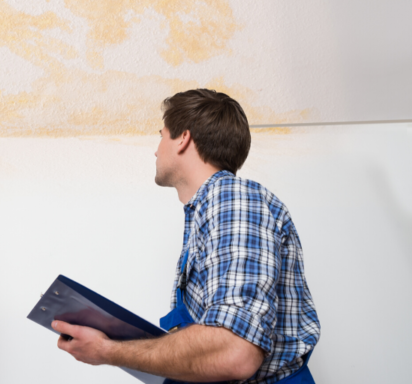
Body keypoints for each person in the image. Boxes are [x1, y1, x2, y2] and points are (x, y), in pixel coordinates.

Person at [51, 89, 320, 383]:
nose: (156, 150)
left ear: (183, 138)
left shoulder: (233, 199)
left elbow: (235, 352)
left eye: (161, 135)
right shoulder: (207, 211)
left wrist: (108, 351)